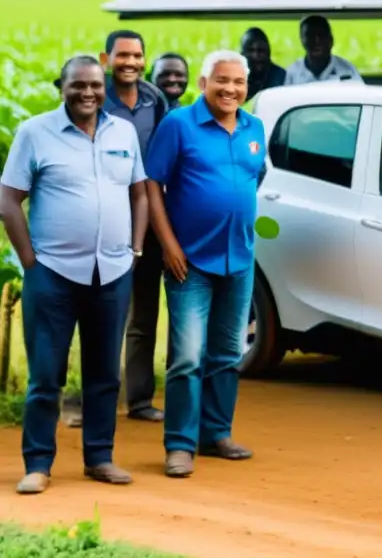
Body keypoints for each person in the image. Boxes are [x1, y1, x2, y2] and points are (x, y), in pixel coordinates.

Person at [0, 55, 148, 495]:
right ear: (59, 86)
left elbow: (140, 193)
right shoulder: (35, 133)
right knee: (47, 374)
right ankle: (38, 464)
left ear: (105, 89)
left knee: (105, 373)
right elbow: (8, 200)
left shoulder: (122, 132)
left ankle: (99, 457)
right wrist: (30, 260)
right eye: (78, 85)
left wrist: (136, 249)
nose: (88, 93)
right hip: (53, 274)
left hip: (113, 271)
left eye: (96, 86)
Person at [144, 50, 266, 478]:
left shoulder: (255, 128)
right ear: (202, 83)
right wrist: (169, 245)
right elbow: (152, 184)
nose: (230, 89)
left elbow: (254, 177)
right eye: (221, 81)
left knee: (228, 352)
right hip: (188, 261)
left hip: (240, 259)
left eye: (238, 82)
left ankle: (217, 433)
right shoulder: (178, 125)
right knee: (188, 356)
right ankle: (179, 444)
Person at [100, 31, 170, 424]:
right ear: (106, 57)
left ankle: (139, 399)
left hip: (148, 215)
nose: (130, 62)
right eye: (123, 55)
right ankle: (99, 397)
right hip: (107, 219)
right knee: (105, 311)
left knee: (144, 314)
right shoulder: (94, 96)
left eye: (137, 55)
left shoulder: (153, 99)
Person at [284, 15, 362, 85]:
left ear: (331, 40)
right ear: (302, 40)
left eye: (321, 35)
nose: (316, 41)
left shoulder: (347, 71)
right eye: (310, 35)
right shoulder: (293, 73)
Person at [240, 28, 287, 96]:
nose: (256, 55)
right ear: (242, 54)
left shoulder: (280, 76)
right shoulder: (235, 77)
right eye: (251, 50)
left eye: (260, 50)